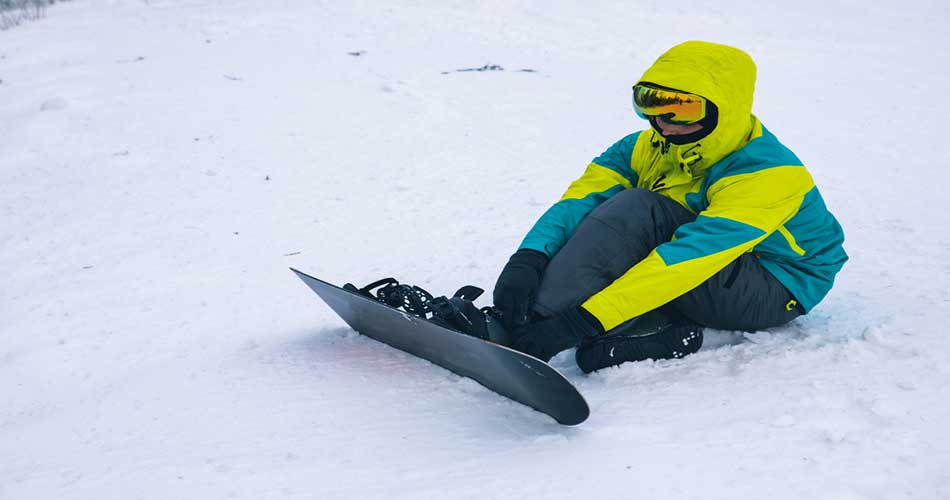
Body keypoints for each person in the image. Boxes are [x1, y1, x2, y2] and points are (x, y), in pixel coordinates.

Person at [491, 41, 848, 372]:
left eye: (683, 110)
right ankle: (556, 317)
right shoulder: (646, 146)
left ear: (725, 109)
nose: (663, 122)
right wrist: (529, 258)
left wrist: (578, 322)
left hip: (775, 286)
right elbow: (580, 203)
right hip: (706, 267)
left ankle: (530, 322)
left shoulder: (767, 174)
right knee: (611, 212)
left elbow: (690, 259)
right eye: (651, 104)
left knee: (639, 209)